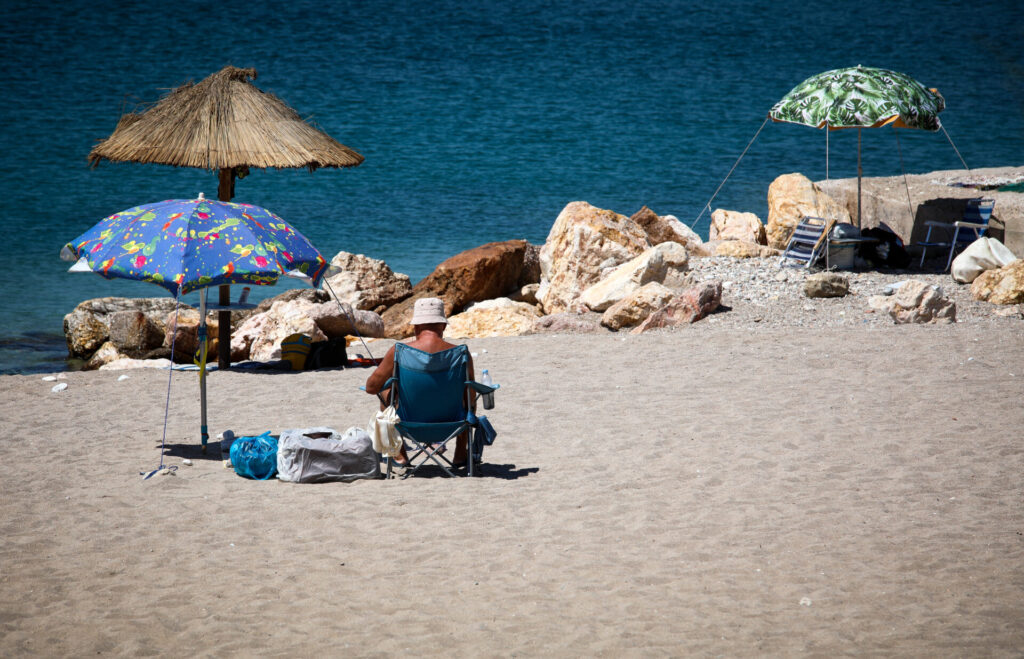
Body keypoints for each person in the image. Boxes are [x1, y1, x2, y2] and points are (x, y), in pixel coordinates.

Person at [365, 297, 475, 467]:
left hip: (408, 423)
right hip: (453, 424)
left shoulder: (398, 351)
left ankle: (399, 455)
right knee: (467, 394)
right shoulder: (461, 353)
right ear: (444, 326)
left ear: (415, 326)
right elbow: (470, 399)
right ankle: (460, 454)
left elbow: (371, 388)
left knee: (385, 392)